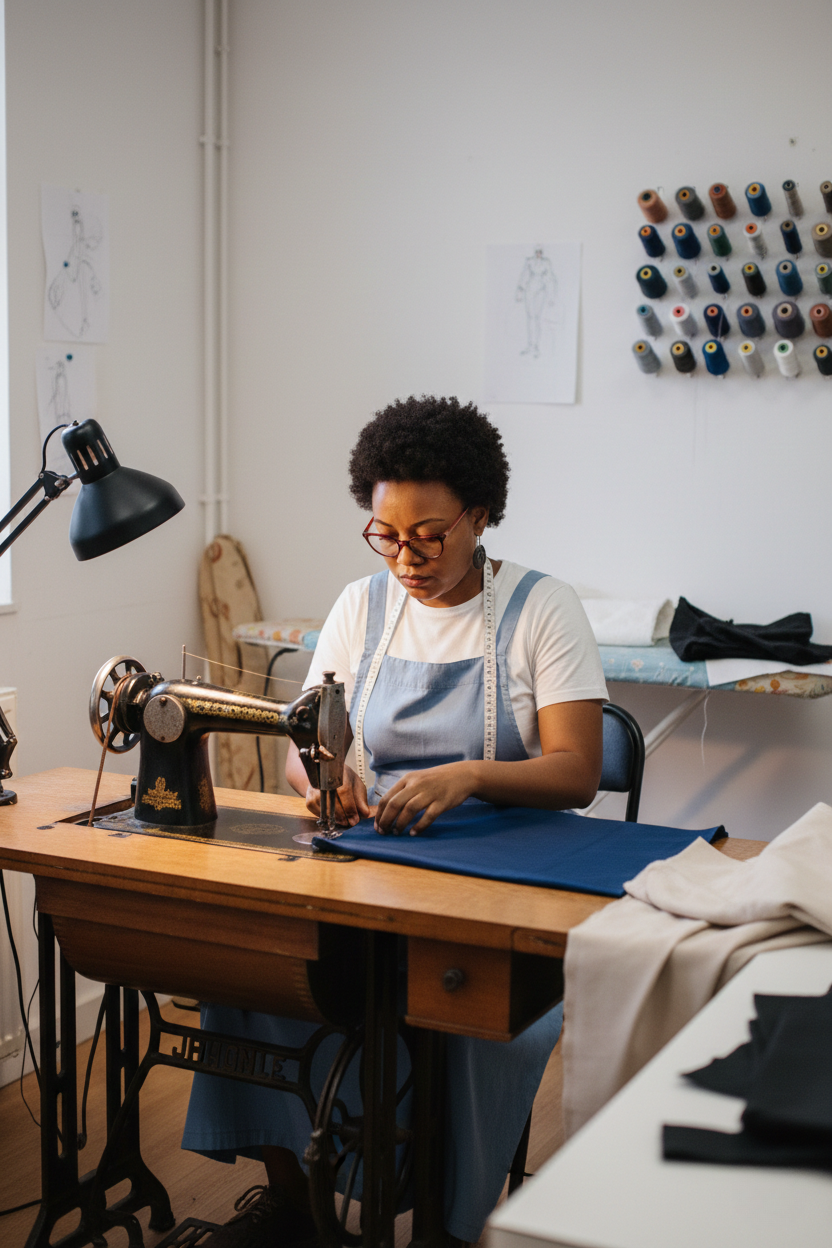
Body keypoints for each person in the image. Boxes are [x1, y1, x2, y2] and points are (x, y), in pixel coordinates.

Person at [183, 395, 608, 1247]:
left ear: (481, 515)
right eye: (387, 535)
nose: (406, 558)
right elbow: (308, 737)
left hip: (503, 878)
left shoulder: (541, 609)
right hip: (375, 855)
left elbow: (578, 771)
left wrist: (471, 775)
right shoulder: (362, 605)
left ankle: (445, 1229)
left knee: (460, 1019)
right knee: (258, 972)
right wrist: (323, 780)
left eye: (430, 535)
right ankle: (297, 1201)